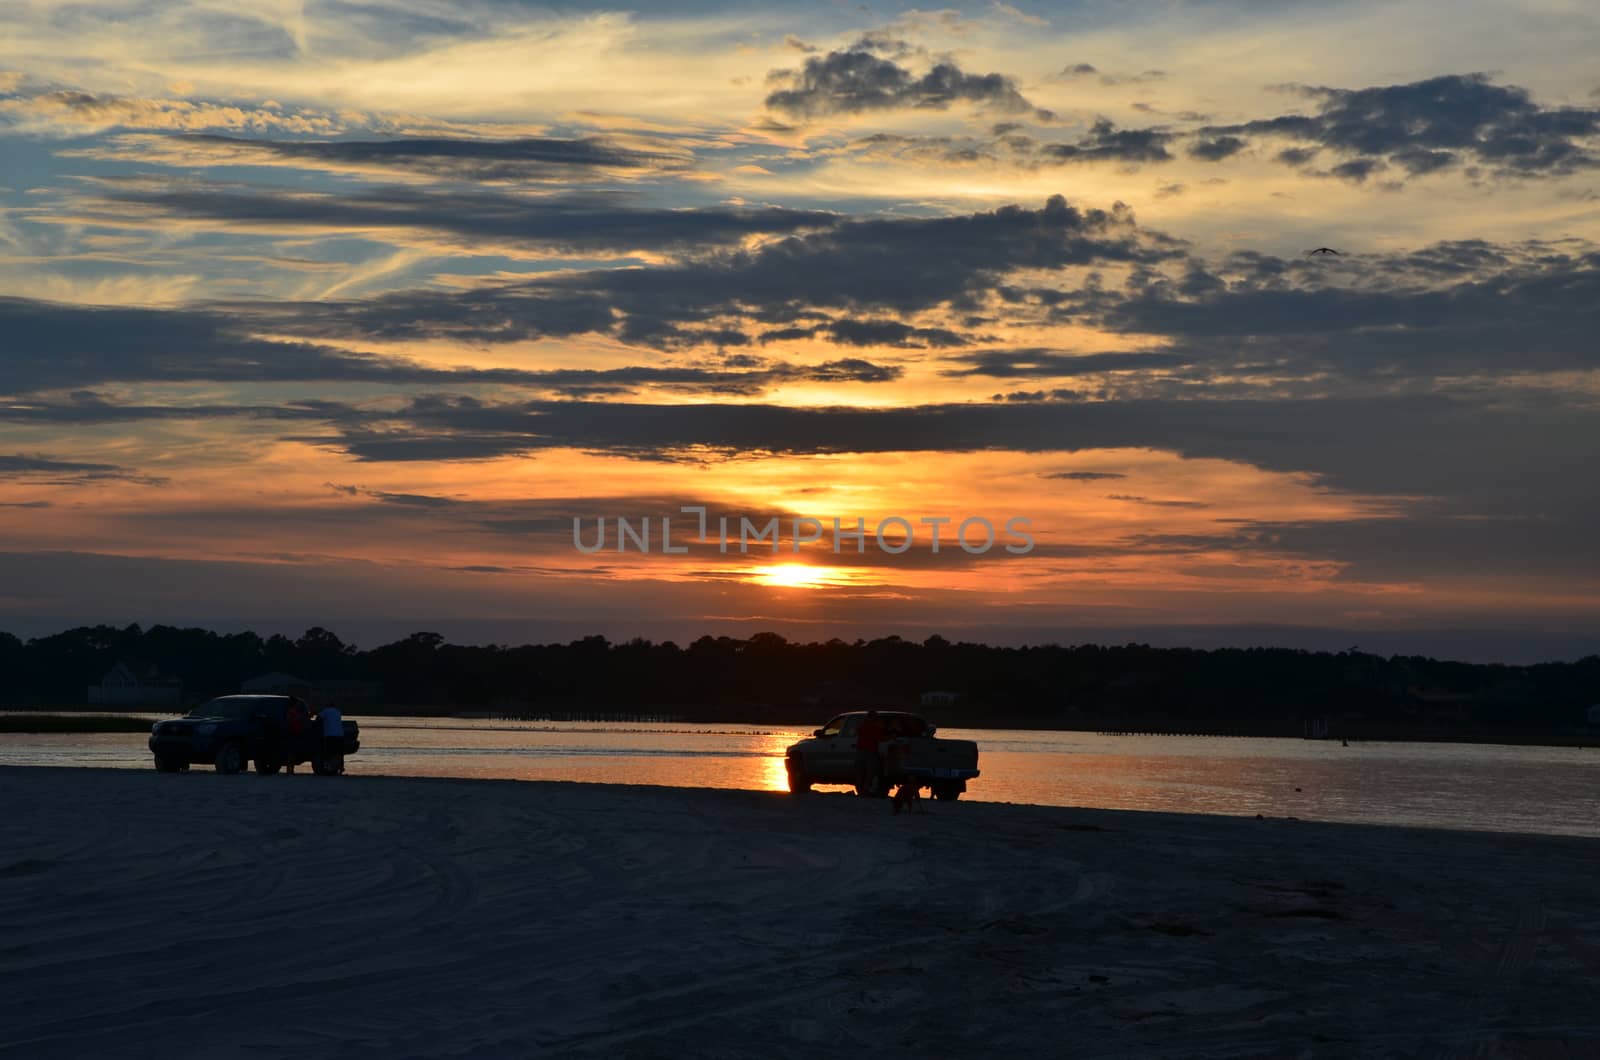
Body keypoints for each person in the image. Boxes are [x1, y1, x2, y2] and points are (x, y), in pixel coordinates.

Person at [855, 710, 885, 795]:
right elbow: (880, 738)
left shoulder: (862, 725)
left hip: (860, 750)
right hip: (870, 751)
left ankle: (861, 791)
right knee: (869, 773)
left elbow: (857, 732)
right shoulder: (875, 727)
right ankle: (866, 790)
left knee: (860, 772)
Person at [284, 698, 309, 774]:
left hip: (296, 733)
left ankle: (290, 769)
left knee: (292, 752)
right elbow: (290, 721)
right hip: (292, 733)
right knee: (291, 752)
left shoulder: (294, 712)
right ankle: (289, 769)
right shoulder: (292, 712)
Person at [319, 702, 344, 775]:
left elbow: (319, 718)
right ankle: (340, 767)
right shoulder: (338, 711)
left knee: (329, 752)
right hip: (340, 734)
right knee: (339, 752)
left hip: (330, 735)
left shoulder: (326, 711)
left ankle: (329, 767)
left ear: (328, 706)